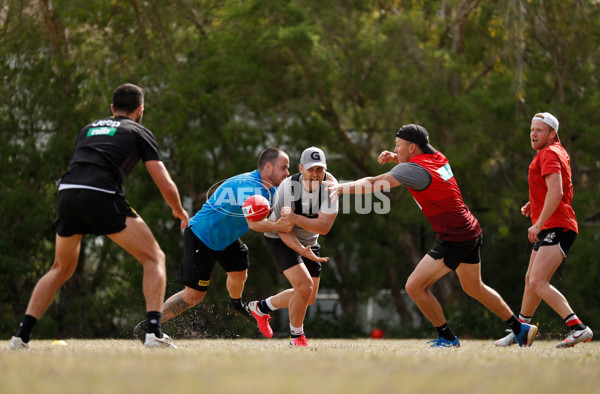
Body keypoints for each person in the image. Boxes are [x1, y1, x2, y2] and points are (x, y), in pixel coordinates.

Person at [9, 83, 189, 350]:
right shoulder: (138, 131)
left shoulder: (88, 129)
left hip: (67, 194)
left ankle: (20, 338)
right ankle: (153, 333)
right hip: (101, 195)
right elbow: (165, 183)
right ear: (140, 110)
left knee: (60, 268)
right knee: (154, 257)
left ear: (111, 108)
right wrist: (179, 210)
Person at [327, 124, 538, 347]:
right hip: (471, 229)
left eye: (398, 146)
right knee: (474, 288)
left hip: (454, 236)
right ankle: (520, 329)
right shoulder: (437, 158)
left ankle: (447, 337)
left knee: (414, 287)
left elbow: (375, 183)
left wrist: (342, 188)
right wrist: (397, 158)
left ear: (412, 147)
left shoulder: (412, 170)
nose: (394, 149)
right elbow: (417, 171)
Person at [133, 147, 294, 341]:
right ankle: (148, 326)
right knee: (193, 296)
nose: (287, 173)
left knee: (240, 273)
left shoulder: (272, 186)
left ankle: (235, 304)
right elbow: (254, 224)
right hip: (202, 236)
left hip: (226, 238)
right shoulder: (249, 187)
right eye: (284, 168)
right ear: (268, 167)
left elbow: (295, 191)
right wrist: (280, 225)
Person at [495, 112, 593, 348]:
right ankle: (522, 330)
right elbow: (557, 189)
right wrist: (535, 204)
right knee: (531, 279)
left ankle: (578, 327)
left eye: (540, 130)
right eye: (532, 129)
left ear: (552, 134)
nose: (533, 133)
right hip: (552, 224)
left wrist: (538, 223)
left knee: (538, 281)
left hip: (557, 225)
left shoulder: (549, 153)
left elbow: (557, 192)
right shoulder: (554, 152)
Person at [248, 147, 338, 347]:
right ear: (301, 168)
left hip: (309, 241)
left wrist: (298, 222)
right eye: (310, 169)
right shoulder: (287, 189)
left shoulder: (332, 188)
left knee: (309, 296)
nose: (315, 174)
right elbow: (283, 229)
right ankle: (297, 338)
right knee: (304, 286)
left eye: (319, 169)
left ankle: (262, 307)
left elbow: (324, 227)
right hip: (280, 237)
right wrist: (300, 251)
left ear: (325, 170)